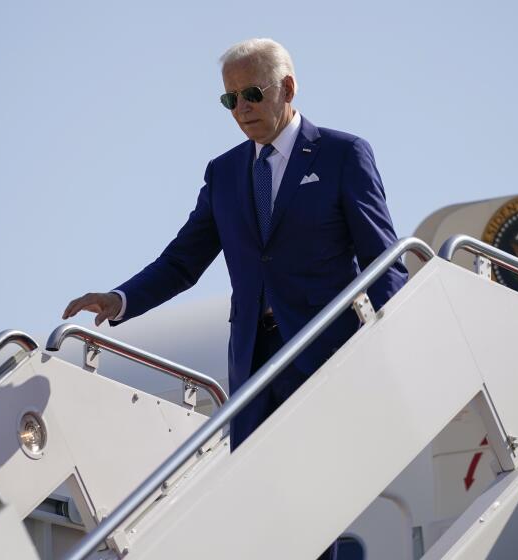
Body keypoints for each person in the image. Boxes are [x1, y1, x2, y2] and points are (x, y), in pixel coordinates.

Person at [63, 40, 406, 554]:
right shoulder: (224, 173)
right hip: (251, 362)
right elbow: (183, 260)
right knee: (263, 504)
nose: (241, 109)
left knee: (318, 498)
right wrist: (120, 299)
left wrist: (401, 335)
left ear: (287, 89)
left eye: (251, 94)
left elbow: (382, 258)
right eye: (230, 101)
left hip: (325, 352)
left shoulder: (342, 154)